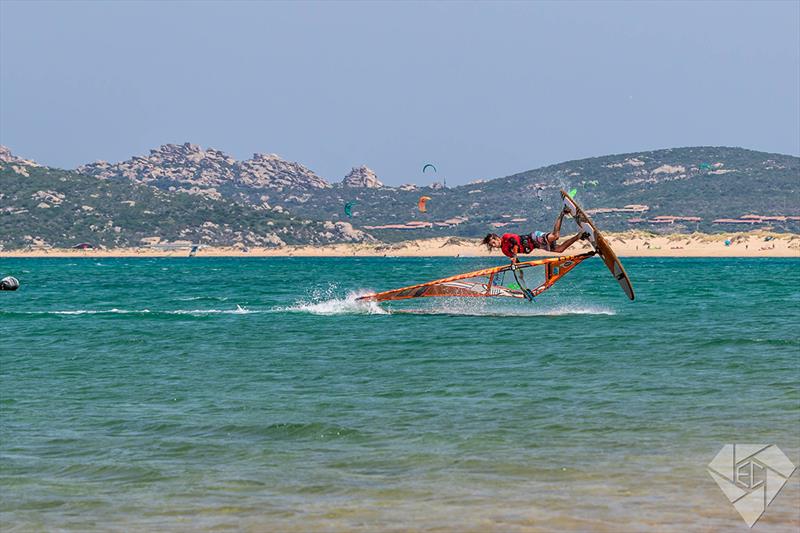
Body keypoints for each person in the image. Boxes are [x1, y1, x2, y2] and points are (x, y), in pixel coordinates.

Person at [482, 208, 587, 263]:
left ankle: (562, 213)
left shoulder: (505, 237)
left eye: (493, 242)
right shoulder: (505, 251)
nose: (494, 245)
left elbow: (515, 243)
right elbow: (517, 261)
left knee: (555, 236)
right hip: (537, 245)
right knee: (560, 250)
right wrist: (517, 269)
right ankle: (579, 236)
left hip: (533, 237)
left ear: (497, 238)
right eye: (492, 245)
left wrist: (514, 256)